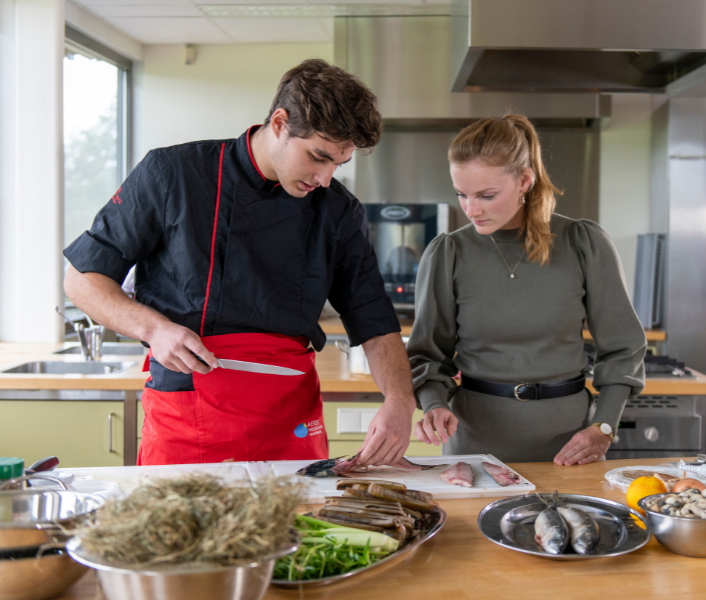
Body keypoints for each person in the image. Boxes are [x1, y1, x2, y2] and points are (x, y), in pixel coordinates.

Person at [63, 59, 416, 467]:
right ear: (280, 123)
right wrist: (154, 329)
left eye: (338, 163)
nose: (325, 177)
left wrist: (399, 400)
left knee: (296, 529)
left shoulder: (339, 211)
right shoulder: (173, 174)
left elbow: (375, 322)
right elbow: (82, 279)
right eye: (318, 157)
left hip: (289, 417)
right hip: (190, 405)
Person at [407, 115, 646, 465]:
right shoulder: (448, 252)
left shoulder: (584, 243)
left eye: (487, 195)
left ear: (524, 180)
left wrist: (604, 427)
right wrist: (434, 405)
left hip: (571, 445)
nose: (471, 210)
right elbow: (427, 356)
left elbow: (624, 348)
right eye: (462, 195)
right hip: (475, 445)